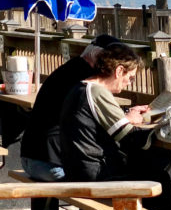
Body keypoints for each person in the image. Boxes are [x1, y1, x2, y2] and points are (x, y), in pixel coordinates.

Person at [59, 43, 171, 210]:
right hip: (94, 175)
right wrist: (160, 127)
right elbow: (128, 138)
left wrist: (140, 118)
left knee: (150, 166)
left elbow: (114, 126)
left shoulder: (81, 87)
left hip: (79, 169)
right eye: (131, 76)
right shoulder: (97, 91)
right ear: (118, 71)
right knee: (157, 175)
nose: (129, 82)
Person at [20, 34, 122, 181]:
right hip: (52, 164)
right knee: (119, 177)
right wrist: (126, 119)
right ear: (100, 57)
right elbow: (99, 125)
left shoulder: (68, 69)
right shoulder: (87, 82)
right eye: (113, 60)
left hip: (31, 158)